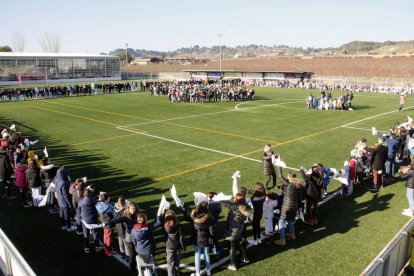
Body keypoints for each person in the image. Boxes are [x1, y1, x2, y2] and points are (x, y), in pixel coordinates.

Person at [275, 166, 305, 246]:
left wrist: (279, 166)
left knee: (281, 222)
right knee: (290, 220)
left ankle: (282, 240)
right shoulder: (299, 185)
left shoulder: (289, 183)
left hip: (287, 206)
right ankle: (292, 234)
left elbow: (280, 176)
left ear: (289, 177)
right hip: (294, 206)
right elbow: (300, 197)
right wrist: (300, 207)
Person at [224, 193, 252, 271]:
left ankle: (233, 264)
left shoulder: (235, 207)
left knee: (232, 246)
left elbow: (225, 203)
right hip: (240, 228)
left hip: (232, 230)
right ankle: (244, 257)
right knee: (237, 242)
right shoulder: (246, 207)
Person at [78, 188, 102, 253]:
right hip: (93, 219)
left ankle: (86, 248)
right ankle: (97, 247)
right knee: (95, 234)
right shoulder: (94, 200)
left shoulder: (80, 202)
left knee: (86, 234)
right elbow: (98, 206)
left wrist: (79, 220)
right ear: (90, 194)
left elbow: (79, 212)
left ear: (83, 194)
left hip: (85, 220)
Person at [162, 210, 185, 276]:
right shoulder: (178, 225)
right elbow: (181, 237)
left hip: (169, 247)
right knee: (177, 263)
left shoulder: (165, 226)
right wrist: (183, 246)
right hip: (177, 247)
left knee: (170, 264)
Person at [55, 166, 77, 232]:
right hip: (64, 201)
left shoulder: (57, 180)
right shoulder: (63, 183)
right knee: (66, 214)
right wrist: (69, 203)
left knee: (61, 212)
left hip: (59, 199)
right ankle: (69, 227)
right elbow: (65, 195)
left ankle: (63, 225)